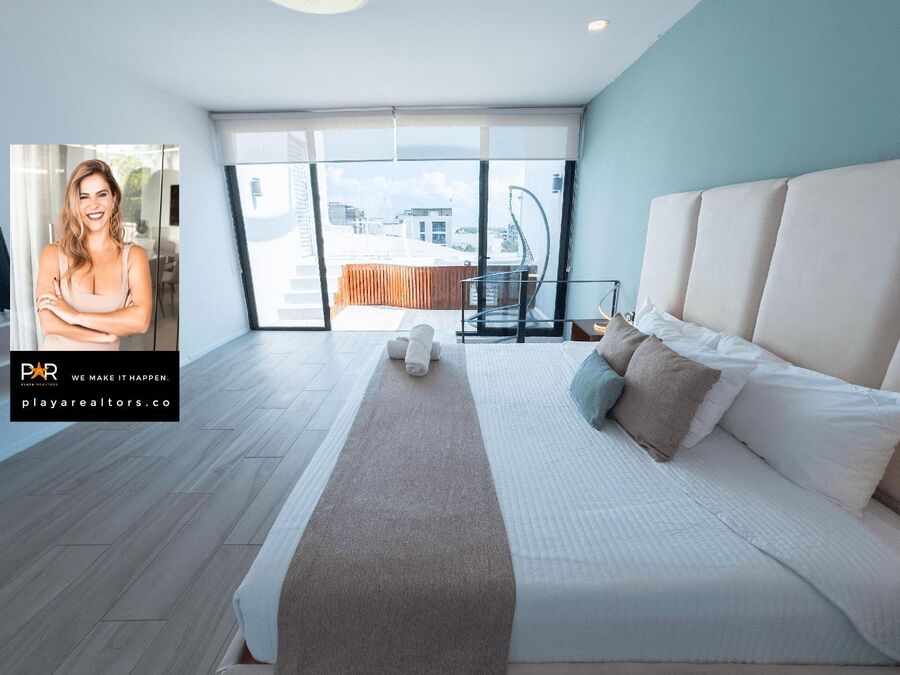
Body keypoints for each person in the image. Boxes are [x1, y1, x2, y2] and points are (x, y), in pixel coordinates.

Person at [35, 159, 152, 350]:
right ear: (75, 204)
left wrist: (74, 316)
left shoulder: (133, 256)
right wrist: (103, 337)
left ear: (114, 199)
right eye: (84, 197)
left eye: (101, 194)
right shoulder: (53, 254)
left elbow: (141, 321)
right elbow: (48, 323)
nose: (94, 205)